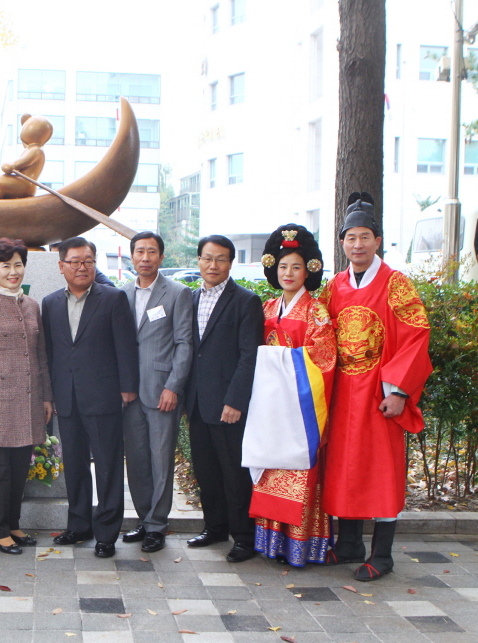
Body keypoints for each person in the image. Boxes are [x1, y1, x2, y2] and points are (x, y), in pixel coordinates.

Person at [319, 193, 432, 581]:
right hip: (343, 394)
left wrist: (399, 391)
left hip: (378, 394)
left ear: (378, 241)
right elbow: (319, 338)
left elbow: (416, 335)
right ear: (342, 243)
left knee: (380, 470)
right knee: (344, 467)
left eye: (365, 237)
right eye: (351, 238)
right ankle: (348, 543)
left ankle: (382, 554)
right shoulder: (334, 287)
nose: (358, 245)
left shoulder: (396, 284)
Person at [241, 225, 337, 566]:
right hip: (270, 409)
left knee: (300, 474)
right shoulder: (266, 308)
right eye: (283, 267)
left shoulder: (317, 311)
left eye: (296, 267)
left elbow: (324, 359)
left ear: (308, 270)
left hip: (300, 409)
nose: (289, 273)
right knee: (270, 471)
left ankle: (302, 546)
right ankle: (271, 544)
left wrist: (278, 359)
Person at [41, 237, 138, 558]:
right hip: (66, 399)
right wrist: (50, 395)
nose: (82, 267)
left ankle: (107, 533)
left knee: (109, 466)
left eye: (88, 261)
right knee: (75, 465)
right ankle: (79, 524)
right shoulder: (51, 303)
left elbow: (125, 346)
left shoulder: (112, 299)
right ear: (61, 266)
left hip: (104, 396)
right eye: (75, 261)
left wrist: (127, 388)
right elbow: (51, 352)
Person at [0, 238, 54, 555]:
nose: (13, 271)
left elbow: (41, 355)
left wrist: (46, 397)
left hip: (29, 400)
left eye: (18, 265)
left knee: (20, 468)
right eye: (6, 266)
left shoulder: (31, 305)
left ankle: (13, 524)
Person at [185, 234, 264, 563]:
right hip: (197, 403)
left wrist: (236, 401)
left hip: (228, 405)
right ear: (199, 261)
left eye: (220, 259)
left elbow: (250, 356)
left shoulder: (245, 301)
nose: (212, 265)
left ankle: (243, 536)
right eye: (207, 258)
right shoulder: (190, 299)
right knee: (206, 471)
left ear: (230, 263)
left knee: (234, 473)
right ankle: (214, 527)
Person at [120, 232, 193, 553]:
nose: (145, 257)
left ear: (162, 257)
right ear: (132, 257)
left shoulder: (177, 293)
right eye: (140, 252)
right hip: (129, 393)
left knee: (160, 459)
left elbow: (184, 344)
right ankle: (142, 517)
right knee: (135, 459)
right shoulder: (120, 294)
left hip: (162, 390)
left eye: (152, 252)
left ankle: (157, 525)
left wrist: (173, 387)